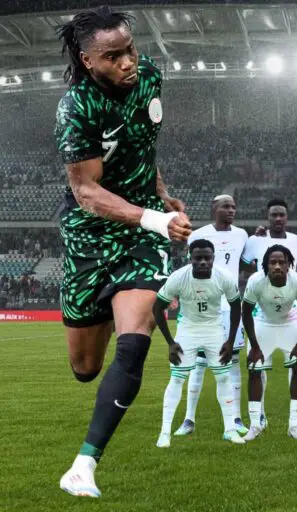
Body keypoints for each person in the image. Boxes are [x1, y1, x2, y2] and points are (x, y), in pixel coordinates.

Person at [55, 6, 192, 498]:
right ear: (88, 61)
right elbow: (86, 192)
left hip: (141, 236)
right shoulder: (77, 108)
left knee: (135, 341)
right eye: (113, 56)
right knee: (85, 369)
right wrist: (155, 217)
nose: (128, 61)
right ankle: (112, 305)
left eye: (130, 49)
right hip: (91, 236)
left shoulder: (149, 77)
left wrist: (161, 195)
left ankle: (83, 466)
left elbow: (142, 148)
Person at [153, 239, 244, 448]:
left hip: (214, 330)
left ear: (213, 258)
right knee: (177, 379)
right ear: (190, 258)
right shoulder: (178, 277)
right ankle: (164, 433)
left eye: (207, 258)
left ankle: (230, 429)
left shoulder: (224, 276)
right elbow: (157, 308)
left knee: (223, 378)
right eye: (198, 258)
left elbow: (235, 306)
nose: (203, 262)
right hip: (188, 330)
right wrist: (170, 342)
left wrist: (230, 341)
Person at [176, 195, 249, 437]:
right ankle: (188, 420)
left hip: (230, 307)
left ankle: (236, 418)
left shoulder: (242, 235)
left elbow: (244, 263)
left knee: (233, 362)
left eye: (234, 206)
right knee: (199, 364)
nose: (231, 210)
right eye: (226, 206)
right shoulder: (198, 235)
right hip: (203, 307)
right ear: (214, 209)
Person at [243, 198, 297, 429]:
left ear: (287, 217)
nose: (278, 218)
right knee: (257, 367)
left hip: (289, 313)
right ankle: (259, 417)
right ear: (267, 217)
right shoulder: (255, 240)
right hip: (262, 311)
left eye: (281, 214)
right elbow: (242, 264)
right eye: (273, 215)